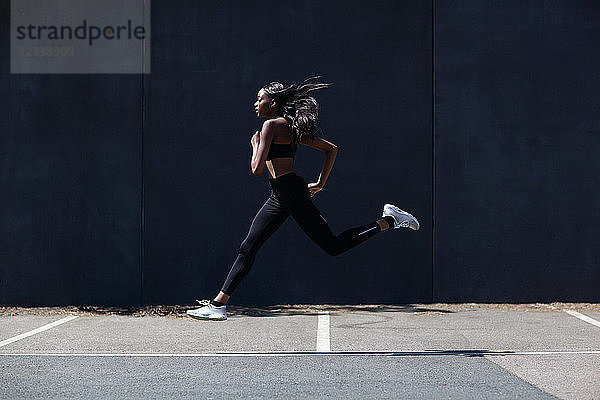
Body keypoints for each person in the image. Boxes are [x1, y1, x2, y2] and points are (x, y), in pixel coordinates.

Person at [187, 76, 419, 321]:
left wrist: (255, 145)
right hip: (281, 193)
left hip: (289, 192)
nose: (255, 103)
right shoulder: (290, 126)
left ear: (273, 102)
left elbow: (256, 169)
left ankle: (390, 221)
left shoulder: (271, 126)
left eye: (259, 98)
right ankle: (218, 305)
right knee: (248, 247)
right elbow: (332, 149)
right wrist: (320, 183)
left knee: (333, 246)